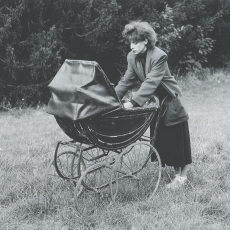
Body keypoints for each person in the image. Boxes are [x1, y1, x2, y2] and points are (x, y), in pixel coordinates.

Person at [115, 21, 192, 189]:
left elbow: (151, 82)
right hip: (154, 102)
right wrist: (112, 99)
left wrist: (133, 103)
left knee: (177, 137)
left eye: (135, 42)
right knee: (163, 138)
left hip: (170, 100)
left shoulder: (159, 56)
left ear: (145, 40)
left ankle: (182, 177)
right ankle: (176, 173)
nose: (131, 46)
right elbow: (126, 81)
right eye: (130, 42)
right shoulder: (132, 57)